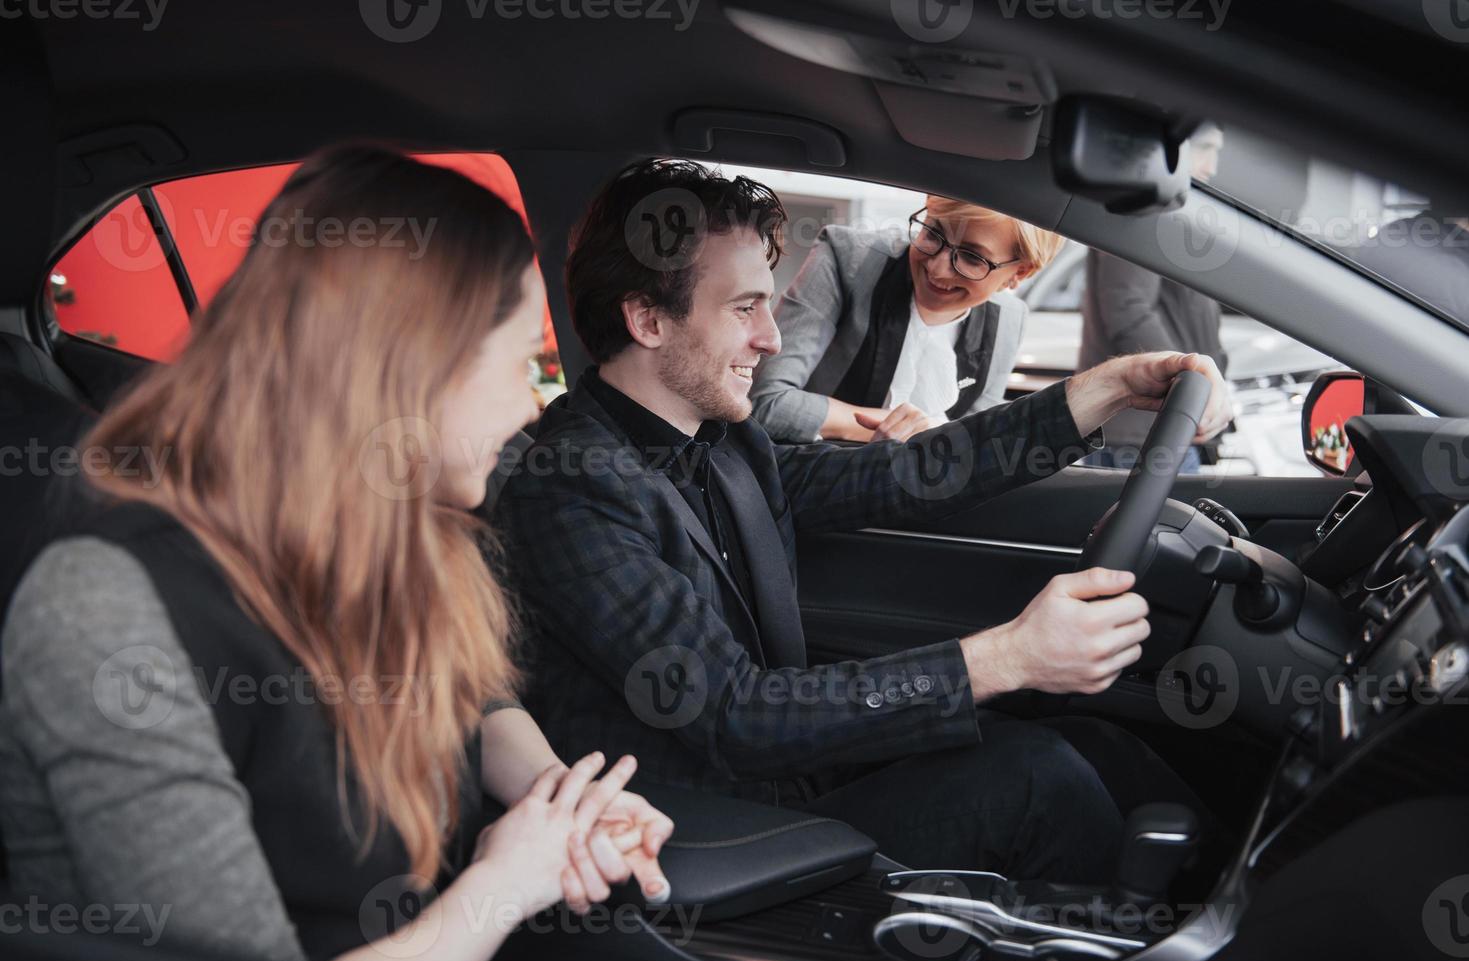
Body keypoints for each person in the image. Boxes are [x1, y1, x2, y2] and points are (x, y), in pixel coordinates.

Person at [0, 147, 673, 961]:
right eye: (519, 366)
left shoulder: (396, 534)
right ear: (410, 368)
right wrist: (507, 881)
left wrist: (558, 802)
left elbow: (469, 699)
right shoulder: (108, 608)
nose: (531, 403)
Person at [496, 159, 1232, 885]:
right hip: (710, 829)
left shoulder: (721, 445)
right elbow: (733, 714)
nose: (771, 339)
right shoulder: (571, 489)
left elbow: (905, 474)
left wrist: (1103, 390)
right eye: (743, 308)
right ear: (647, 319)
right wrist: (1007, 658)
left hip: (788, 774)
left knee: (1089, 741)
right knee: (1040, 780)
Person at [750, 196, 1064, 444]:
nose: (938, 270)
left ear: (1020, 273)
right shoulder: (847, 258)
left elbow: (976, 439)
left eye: (972, 258)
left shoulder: (1009, 320)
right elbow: (766, 403)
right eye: (933, 234)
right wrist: (910, 431)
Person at [1079, 123, 1229, 472]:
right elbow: (1128, 309)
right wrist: (1191, 379)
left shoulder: (1167, 215)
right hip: (1141, 434)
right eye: (1205, 147)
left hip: (1157, 428)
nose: (1213, 165)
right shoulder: (1140, 211)